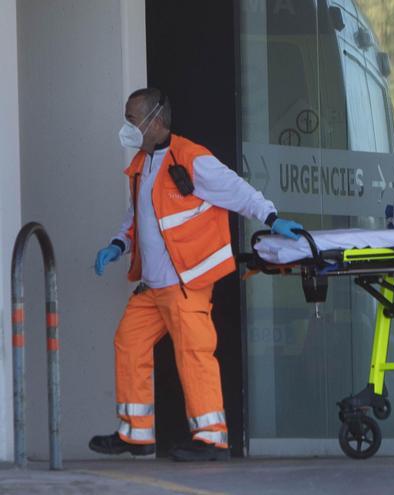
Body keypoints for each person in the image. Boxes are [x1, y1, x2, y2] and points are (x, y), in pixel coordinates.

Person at [89, 88, 303, 461]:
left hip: (186, 283)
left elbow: (238, 191)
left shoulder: (192, 159)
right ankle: (136, 434)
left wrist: (272, 217)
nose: (127, 126)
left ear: (155, 119)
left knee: (194, 353)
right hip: (153, 287)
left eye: (131, 118)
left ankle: (211, 437)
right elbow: (135, 217)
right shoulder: (141, 164)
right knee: (128, 344)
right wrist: (117, 244)